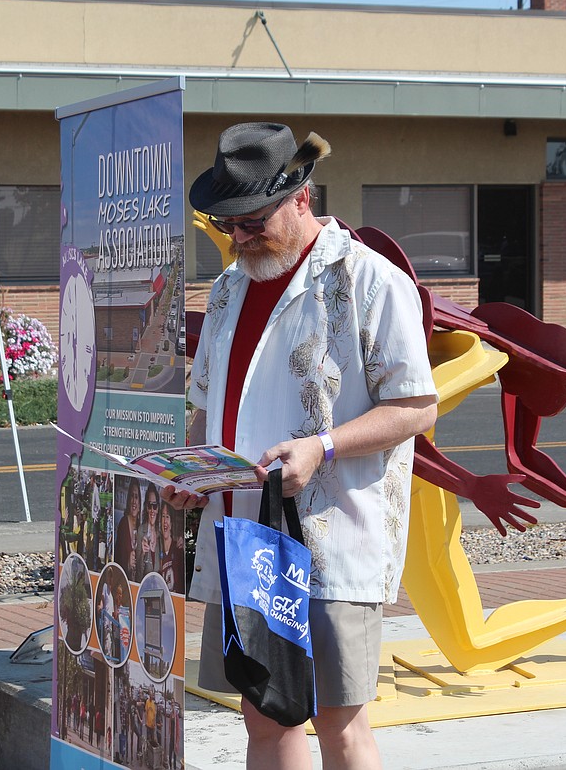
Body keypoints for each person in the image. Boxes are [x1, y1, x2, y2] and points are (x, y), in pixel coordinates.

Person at [180, 122, 438, 770]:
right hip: (244, 543)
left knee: (339, 723)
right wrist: (183, 473)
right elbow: (207, 408)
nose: (237, 236)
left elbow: (416, 405)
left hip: (330, 538)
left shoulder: (367, 280)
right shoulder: (226, 291)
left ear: (300, 197)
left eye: (251, 219)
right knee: (264, 715)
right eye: (227, 221)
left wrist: (321, 446)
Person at [158, 503, 184, 593]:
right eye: (163, 516)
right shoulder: (158, 548)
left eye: (167, 517)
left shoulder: (178, 548)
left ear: (171, 523)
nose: (165, 521)